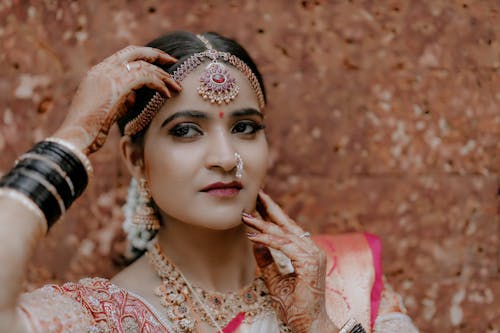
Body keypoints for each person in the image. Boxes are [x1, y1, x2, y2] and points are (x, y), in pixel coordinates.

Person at [0, 31, 418, 333]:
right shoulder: (101, 318)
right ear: (134, 159)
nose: (224, 158)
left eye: (246, 128)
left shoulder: (344, 284)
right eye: (185, 130)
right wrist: (72, 139)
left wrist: (320, 326)